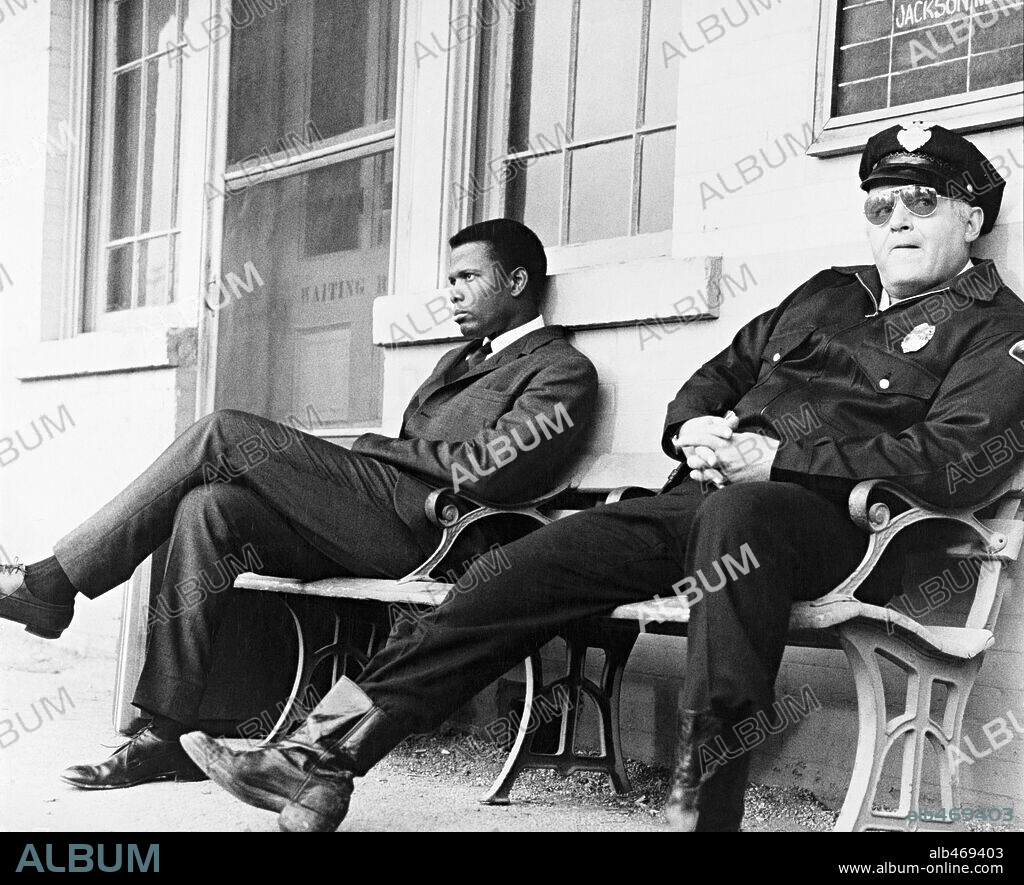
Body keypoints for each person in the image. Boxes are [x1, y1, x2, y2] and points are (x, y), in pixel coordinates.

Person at [183, 122, 1024, 833]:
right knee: (521, 564)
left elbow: (949, 464)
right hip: (705, 504)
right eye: (881, 207)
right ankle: (320, 755)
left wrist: (781, 458)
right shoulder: (826, 295)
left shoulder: (996, 328)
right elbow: (714, 378)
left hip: (841, 527)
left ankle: (704, 804)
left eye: (923, 204)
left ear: (974, 217)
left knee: (746, 515)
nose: (897, 223)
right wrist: (694, 424)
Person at [0, 219, 599, 790]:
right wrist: (392, 454)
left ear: (517, 283)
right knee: (209, 507)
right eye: (449, 281)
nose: (452, 295)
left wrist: (382, 448)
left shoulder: (562, 369)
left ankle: (55, 583)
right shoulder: (459, 362)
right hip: (379, 518)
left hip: (436, 536)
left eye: (467, 278)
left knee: (223, 432)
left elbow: (494, 467)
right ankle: (169, 731)